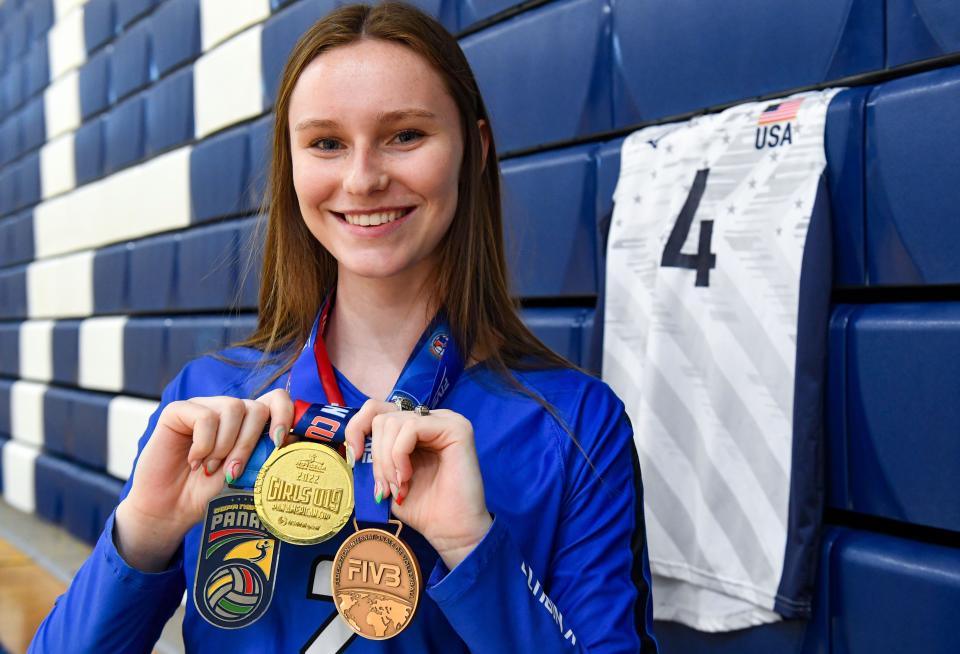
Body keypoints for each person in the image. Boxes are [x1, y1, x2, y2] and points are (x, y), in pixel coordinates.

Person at [31, 3, 658, 652]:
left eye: (406, 135)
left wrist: (475, 549)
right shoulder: (209, 406)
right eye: (327, 143)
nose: (363, 179)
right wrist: (144, 530)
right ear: (293, 163)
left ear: (475, 149)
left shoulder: (576, 425)